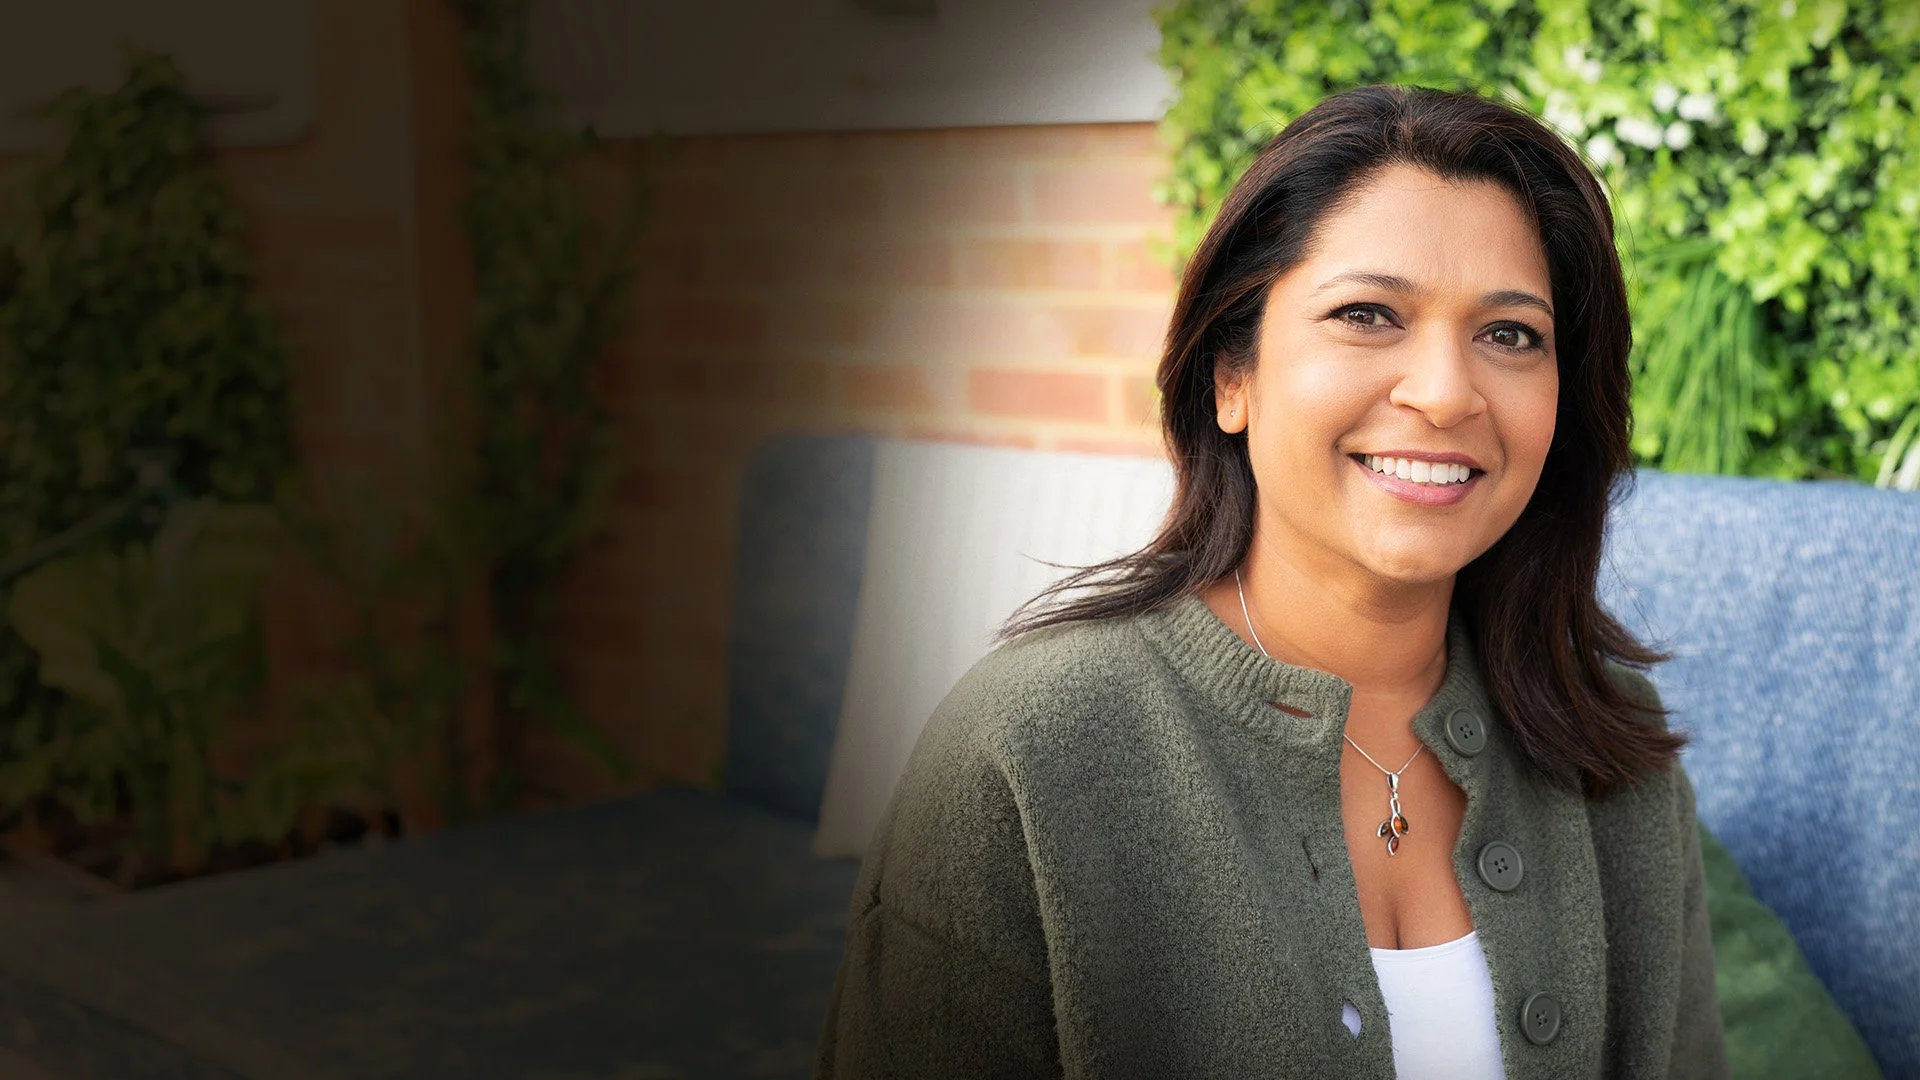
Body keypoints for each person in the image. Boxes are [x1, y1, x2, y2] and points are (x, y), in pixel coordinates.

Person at [812, 84, 1727, 1080]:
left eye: (1510, 334)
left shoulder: (1614, 752)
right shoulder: (1023, 752)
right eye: (1368, 314)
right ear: (1230, 376)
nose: (1448, 391)